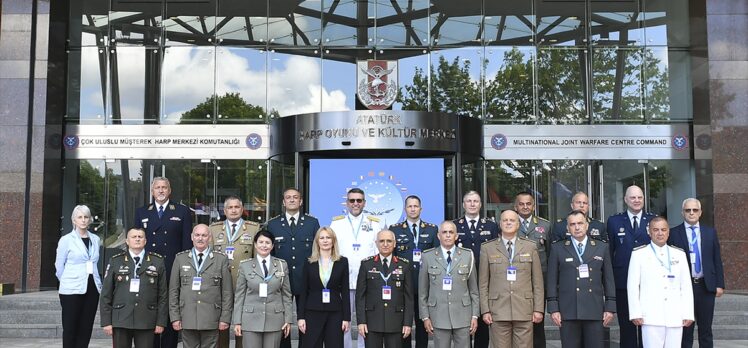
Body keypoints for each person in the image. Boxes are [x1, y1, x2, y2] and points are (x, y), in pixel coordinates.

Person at [134, 177, 193, 348]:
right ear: (152, 191)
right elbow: (136, 242)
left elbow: (186, 245)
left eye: (164, 187)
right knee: (150, 312)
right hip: (148, 270)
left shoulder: (181, 211)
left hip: (172, 269)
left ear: (170, 190)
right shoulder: (142, 212)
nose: (161, 191)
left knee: (169, 313)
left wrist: (185, 270)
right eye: (157, 188)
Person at [546, 211, 616, 348]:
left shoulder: (602, 247)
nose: (577, 227)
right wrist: (553, 308)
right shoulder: (558, 248)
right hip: (568, 310)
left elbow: (608, 280)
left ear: (587, 225)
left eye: (580, 223)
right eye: (572, 224)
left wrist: (610, 307)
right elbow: (552, 281)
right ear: (567, 228)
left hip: (594, 309)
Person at [479, 210, 544, 348]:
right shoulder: (487, 248)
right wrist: (485, 310)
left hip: (524, 309)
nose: (508, 222)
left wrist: (538, 308)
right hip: (498, 309)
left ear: (518, 224)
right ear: (500, 224)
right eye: (505, 220)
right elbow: (483, 283)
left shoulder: (530, 246)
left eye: (512, 220)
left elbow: (537, 282)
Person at [627, 217, 694, 348]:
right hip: (651, 316)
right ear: (649, 232)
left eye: (663, 230)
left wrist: (688, 313)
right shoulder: (639, 254)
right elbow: (633, 286)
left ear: (668, 232)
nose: (660, 233)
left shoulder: (679, 254)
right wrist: (635, 312)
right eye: (656, 230)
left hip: (675, 314)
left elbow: (686, 286)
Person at [266, 188, 321, 348]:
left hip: (307, 281)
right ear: (283, 202)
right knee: (283, 321)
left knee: (307, 321)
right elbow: (270, 253)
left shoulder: (312, 223)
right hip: (281, 281)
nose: (291, 200)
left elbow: (317, 251)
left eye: (295, 197)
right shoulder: (273, 224)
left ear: (301, 201)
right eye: (288, 197)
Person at [667, 198, 725, 348]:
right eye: (688, 210)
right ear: (682, 213)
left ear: (700, 212)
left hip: (706, 286)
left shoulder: (710, 233)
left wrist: (719, 284)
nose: (691, 213)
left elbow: (716, 259)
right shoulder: (673, 233)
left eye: (695, 210)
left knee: (706, 330)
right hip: (683, 288)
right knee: (686, 330)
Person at [330, 188, 382, 348]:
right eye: (352, 200)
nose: (355, 204)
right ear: (347, 203)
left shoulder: (374, 223)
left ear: (364, 203)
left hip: (367, 281)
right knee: (343, 321)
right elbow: (332, 250)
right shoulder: (336, 223)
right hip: (343, 281)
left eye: (359, 200)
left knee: (366, 321)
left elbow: (378, 251)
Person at [100, 227, 168, 348]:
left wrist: (161, 321)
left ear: (145, 241)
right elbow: (106, 293)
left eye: (140, 237)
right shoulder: (116, 261)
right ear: (127, 241)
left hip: (146, 319)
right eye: (134, 237)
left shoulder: (157, 261)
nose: (137, 239)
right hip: (121, 319)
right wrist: (106, 321)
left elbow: (163, 295)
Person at [606, 185, 655, 348]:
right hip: (623, 283)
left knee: (646, 327)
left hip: (647, 283)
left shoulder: (653, 220)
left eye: (639, 197)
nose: (636, 200)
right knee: (626, 328)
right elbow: (609, 252)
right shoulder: (614, 221)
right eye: (633, 197)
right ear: (626, 200)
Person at [169, 224, 233, 348]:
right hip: (187, 316)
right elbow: (173, 291)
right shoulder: (180, 258)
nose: (200, 238)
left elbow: (227, 292)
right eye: (197, 235)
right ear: (191, 237)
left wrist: (225, 318)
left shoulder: (221, 259)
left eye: (204, 235)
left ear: (209, 238)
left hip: (211, 317)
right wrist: (175, 317)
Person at [418, 220, 479, 348]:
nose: (447, 235)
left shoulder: (468, 255)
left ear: (456, 236)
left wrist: (475, 315)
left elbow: (473, 290)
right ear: (438, 236)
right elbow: (423, 292)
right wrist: (425, 317)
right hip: (438, 315)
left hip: (463, 314)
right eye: (444, 232)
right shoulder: (427, 256)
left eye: (451, 232)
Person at [209, 196, 260, 348]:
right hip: (219, 285)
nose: (233, 210)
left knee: (242, 325)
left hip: (243, 285)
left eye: (236, 207)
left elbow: (256, 259)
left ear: (242, 209)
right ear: (224, 211)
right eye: (230, 207)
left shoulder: (253, 228)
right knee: (221, 324)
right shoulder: (213, 228)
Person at [389, 195, 437, 348]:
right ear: (405, 209)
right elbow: (393, 258)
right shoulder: (394, 229)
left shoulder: (432, 229)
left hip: (424, 285)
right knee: (404, 324)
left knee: (423, 322)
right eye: (410, 206)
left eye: (415, 206)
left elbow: (436, 257)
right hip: (403, 285)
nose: (413, 209)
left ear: (420, 209)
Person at [233, 230, 293, 348]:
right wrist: (237, 321)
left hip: (274, 320)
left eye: (267, 242)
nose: (264, 245)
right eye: (261, 242)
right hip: (250, 319)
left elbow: (286, 294)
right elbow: (239, 295)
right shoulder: (245, 265)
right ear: (255, 244)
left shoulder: (281, 265)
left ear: (272, 246)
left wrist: (288, 319)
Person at [453, 191, 498, 348]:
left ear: (480, 204)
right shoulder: (454, 226)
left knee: (483, 325)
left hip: (485, 279)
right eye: (469, 201)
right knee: (463, 326)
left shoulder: (491, 226)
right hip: (461, 280)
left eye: (476, 201)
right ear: (463, 204)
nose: (472, 204)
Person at [55, 204, 103, 348]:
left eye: (86, 217)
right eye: (80, 217)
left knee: (86, 328)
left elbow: (94, 263)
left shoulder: (95, 239)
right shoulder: (66, 240)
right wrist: (66, 281)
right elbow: (59, 266)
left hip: (92, 288)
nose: (83, 220)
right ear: (74, 220)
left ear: (89, 220)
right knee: (70, 328)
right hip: (71, 289)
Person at [356, 230, 413, 348]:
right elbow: (360, 296)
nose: (385, 244)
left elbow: (408, 298)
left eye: (389, 241)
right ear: (376, 243)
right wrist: (361, 321)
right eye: (382, 241)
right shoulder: (366, 264)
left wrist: (408, 323)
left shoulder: (404, 265)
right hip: (372, 321)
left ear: (395, 243)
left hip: (396, 321)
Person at [297, 227, 351, 348]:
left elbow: (345, 291)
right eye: (322, 238)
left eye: (328, 237)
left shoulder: (342, 262)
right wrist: (300, 317)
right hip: (312, 312)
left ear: (333, 241)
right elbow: (304, 291)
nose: (325, 240)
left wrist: (346, 318)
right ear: (317, 241)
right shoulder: (309, 262)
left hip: (335, 313)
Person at [514, 192, 550, 348]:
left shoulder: (546, 225)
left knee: (537, 323)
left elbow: (550, 255)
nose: (525, 206)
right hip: (516, 282)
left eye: (528, 203)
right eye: (521, 204)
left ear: (534, 206)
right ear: (516, 207)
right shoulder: (509, 223)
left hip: (539, 282)